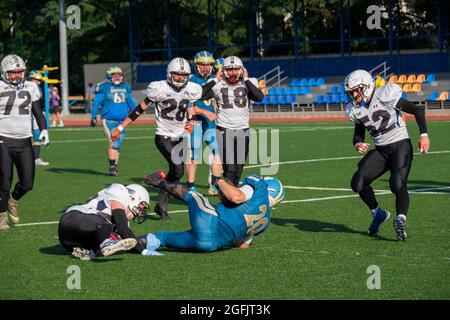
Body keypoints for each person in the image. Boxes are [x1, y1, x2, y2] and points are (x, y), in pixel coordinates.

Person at [110, 57, 216, 220]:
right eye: (177, 74)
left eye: (183, 75)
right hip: (164, 136)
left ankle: (161, 204)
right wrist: (120, 127)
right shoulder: (158, 88)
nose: (180, 78)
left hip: (181, 136)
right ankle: (154, 181)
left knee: (175, 174)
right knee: (178, 168)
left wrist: (191, 120)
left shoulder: (191, 88)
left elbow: (187, 108)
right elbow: (140, 109)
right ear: (169, 74)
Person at [344, 69, 430, 241]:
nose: (354, 95)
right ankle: (378, 213)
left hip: (400, 146)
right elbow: (358, 133)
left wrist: (424, 135)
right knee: (358, 183)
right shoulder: (356, 110)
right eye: (351, 92)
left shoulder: (385, 94)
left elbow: (417, 111)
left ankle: (401, 220)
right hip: (381, 151)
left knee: (396, 183)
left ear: (367, 86)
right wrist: (357, 143)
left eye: (356, 90)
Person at [139, 171, 284, 255]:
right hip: (210, 245)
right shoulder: (265, 222)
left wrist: (219, 181)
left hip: (209, 221)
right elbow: (242, 244)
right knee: (163, 238)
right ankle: (133, 243)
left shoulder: (259, 186)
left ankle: (157, 182)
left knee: (193, 196)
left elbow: (236, 197)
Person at [0, 54, 49, 230]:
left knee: (27, 183)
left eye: (20, 72)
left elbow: (37, 111)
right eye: (13, 72)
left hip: (24, 140)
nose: (17, 75)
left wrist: (44, 129)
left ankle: (13, 201)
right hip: (3, 139)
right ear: (5, 72)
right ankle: (1, 215)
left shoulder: (30, 86)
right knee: (5, 181)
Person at [202, 56, 264, 186]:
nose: (233, 72)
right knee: (229, 169)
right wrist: (214, 80)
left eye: (235, 69)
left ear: (242, 70)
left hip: (243, 129)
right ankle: (227, 198)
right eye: (229, 69)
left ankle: (229, 194)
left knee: (238, 169)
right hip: (224, 129)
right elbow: (200, 95)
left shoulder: (249, 81)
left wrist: (246, 79)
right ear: (223, 70)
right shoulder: (218, 83)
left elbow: (259, 97)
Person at [58, 183, 150, 260]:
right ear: (132, 197)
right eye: (140, 206)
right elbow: (122, 227)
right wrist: (142, 250)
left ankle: (92, 253)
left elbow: (127, 242)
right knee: (110, 227)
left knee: (120, 244)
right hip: (74, 218)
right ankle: (105, 242)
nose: (139, 212)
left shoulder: (124, 223)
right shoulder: (120, 191)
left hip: (71, 244)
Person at [186, 51, 221, 196]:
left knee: (219, 153)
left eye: (208, 65)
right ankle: (191, 186)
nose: (206, 67)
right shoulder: (191, 80)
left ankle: (214, 184)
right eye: (202, 64)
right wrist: (205, 112)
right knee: (195, 156)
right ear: (196, 65)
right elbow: (190, 109)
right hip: (195, 124)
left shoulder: (216, 79)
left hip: (210, 124)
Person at [90, 66, 136, 176]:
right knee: (114, 141)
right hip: (109, 120)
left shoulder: (125, 86)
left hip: (122, 121)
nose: (117, 77)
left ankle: (114, 166)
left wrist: (135, 113)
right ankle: (112, 166)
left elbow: (130, 101)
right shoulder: (103, 87)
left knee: (118, 143)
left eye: (119, 75)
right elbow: (96, 103)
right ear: (109, 76)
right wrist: (93, 117)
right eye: (114, 75)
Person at [29, 70, 49, 166]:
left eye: (39, 80)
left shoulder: (38, 89)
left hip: (36, 113)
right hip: (27, 114)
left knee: (37, 134)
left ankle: (36, 158)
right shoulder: (27, 87)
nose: (38, 82)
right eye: (36, 80)